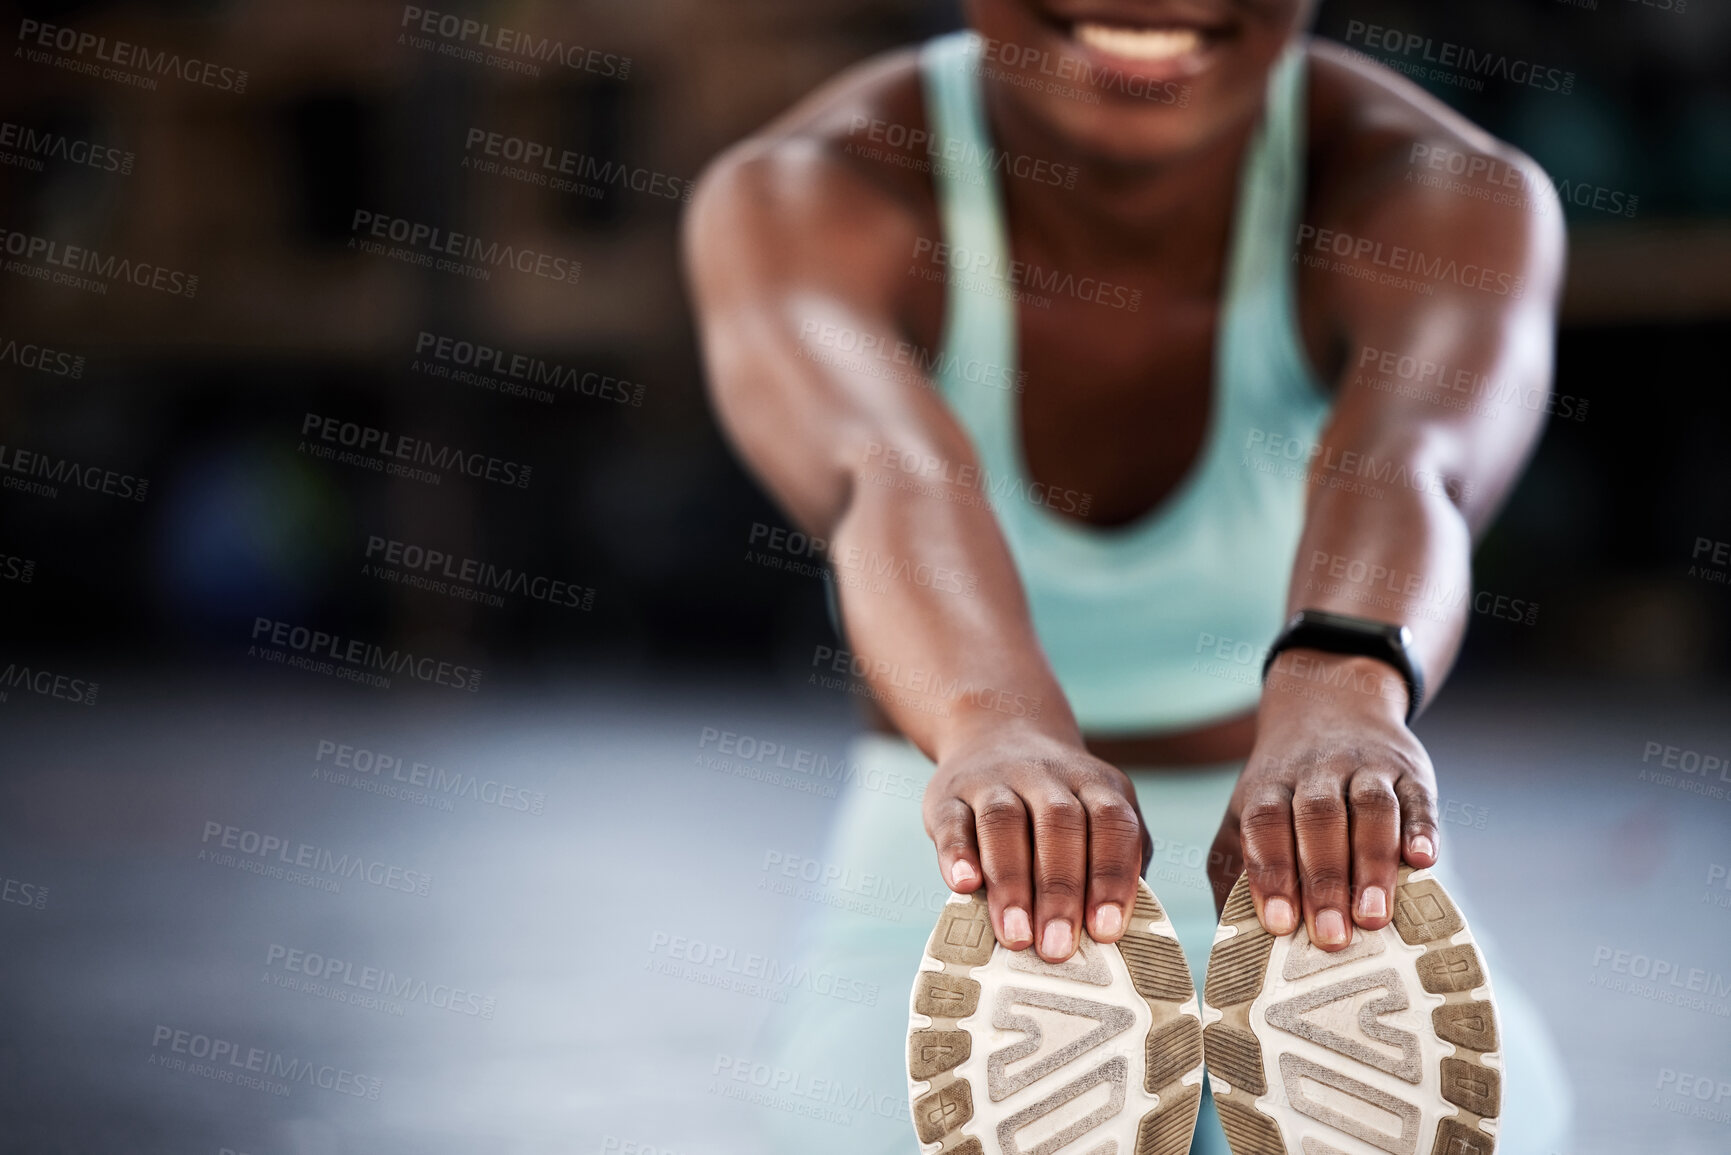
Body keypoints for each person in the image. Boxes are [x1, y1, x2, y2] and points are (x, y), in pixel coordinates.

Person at [685, 1, 1573, 1151]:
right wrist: (999, 731)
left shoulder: (1447, 194)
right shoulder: (804, 195)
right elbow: (889, 478)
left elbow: (1412, 462)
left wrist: (1342, 695)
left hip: (1335, 884)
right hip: (955, 892)